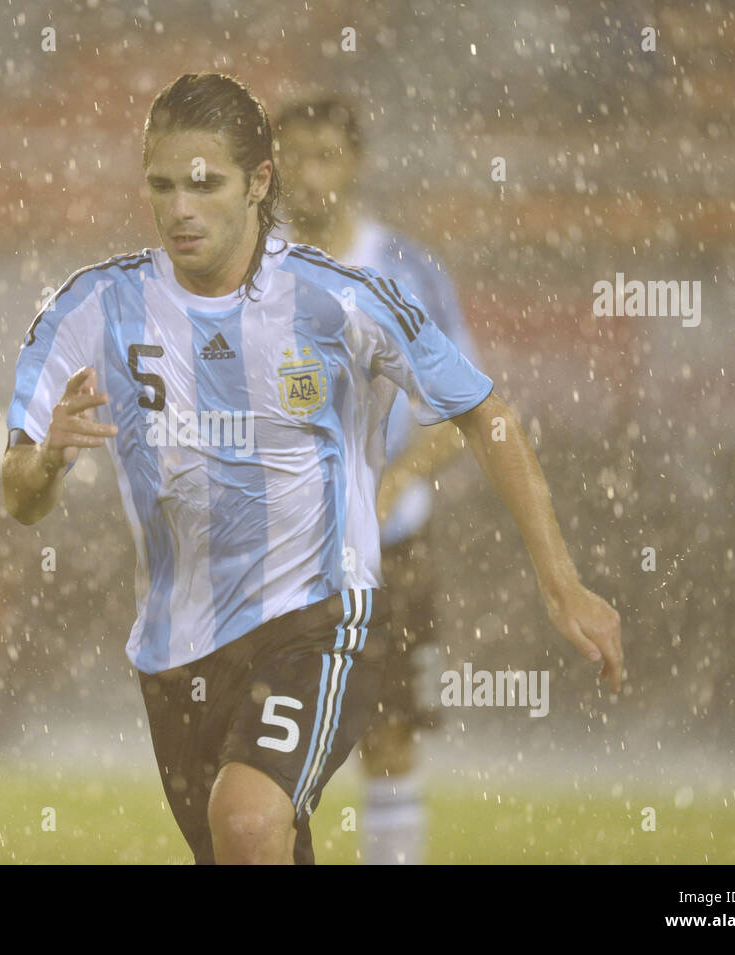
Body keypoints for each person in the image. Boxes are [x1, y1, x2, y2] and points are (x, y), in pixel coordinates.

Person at [2, 73, 622, 865]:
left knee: (251, 819)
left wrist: (560, 579)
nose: (180, 207)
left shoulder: (341, 299)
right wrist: (49, 459)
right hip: (176, 646)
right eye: (162, 184)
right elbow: (19, 497)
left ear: (260, 183)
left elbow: (485, 411)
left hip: (318, 615)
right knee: (250, 846)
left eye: (205, 184)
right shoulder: (90, 307)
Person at [275, 96, 479, 864]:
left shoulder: (408, 270)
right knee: (273, 751)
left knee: (387, 737)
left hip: (390, 548)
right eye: (293, 155)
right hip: (281, 550)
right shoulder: (251, 271)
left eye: (324, 154)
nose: (308, 173)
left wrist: (396, 477)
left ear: (355, 163)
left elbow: (467, 411)